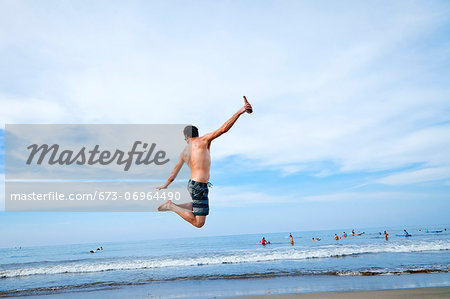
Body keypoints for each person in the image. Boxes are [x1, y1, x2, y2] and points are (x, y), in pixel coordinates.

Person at [157, 99, 253, 228]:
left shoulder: (185, 152)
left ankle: (174, 205)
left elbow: (174, 173)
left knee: (197, 207)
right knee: (199, 223)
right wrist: (240, 111)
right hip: (198, 186)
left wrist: (165, 185)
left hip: (195, 185)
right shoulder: (204, 140)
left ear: (186, 136)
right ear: (197, 134)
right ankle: (172, 206)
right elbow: (223, 129)